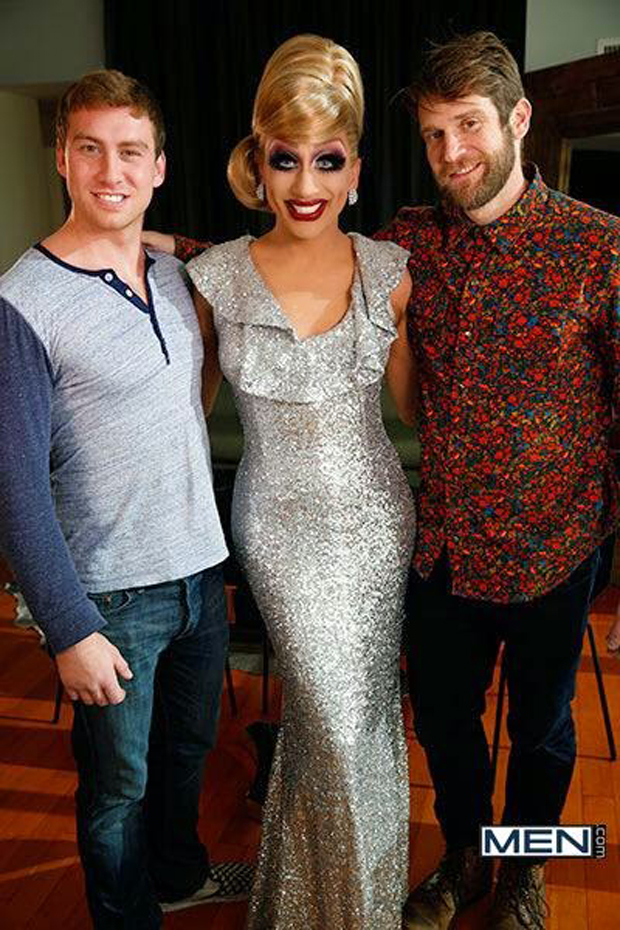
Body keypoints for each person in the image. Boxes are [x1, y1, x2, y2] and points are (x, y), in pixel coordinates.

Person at [374, 31, 620, 930]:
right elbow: (296, 254)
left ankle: (526, 867)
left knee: (542, 728)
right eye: (434, 135)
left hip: (556, 550)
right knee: (444, 721)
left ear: (518, 119)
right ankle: (466, 857)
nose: (451, 153)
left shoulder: (599, 248)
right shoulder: (408, 241)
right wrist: (148, 238)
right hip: (443, 548)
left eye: (468, 126)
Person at [0, 70, 252, 929]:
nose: (112, 171)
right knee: (118, 787)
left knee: (188, 753)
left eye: (131, 152)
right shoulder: (21, 303)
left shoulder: (178, 275)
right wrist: (67, 628)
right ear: (63, 160)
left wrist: (163, 239)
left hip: (199, 573)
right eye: (92, 150)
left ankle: (178, 874)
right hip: (110, 597)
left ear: (159, 167)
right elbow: (13, 488)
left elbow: (239, 257)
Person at [178, 33, 417, 930]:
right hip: (277, 527)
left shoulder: (391, 274)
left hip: (375, 521)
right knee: (330, 719)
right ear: (258, 164)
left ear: (356, 168)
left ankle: (322, 902)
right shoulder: (213, 278)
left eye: (329, 159)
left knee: (357, 723)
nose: (307, 183)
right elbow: (181, 418)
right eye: (287, 159)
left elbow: (423, 413)